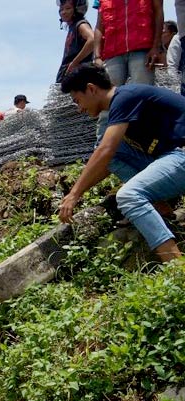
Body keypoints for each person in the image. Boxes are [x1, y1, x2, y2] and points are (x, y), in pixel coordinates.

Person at [59, 64, 185, 263]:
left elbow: (105, 151)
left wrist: (74, 194)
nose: (79, 109)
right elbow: (107, 156)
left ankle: (175, 265)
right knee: (111, 149)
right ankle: (159, 206)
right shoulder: (122, 103)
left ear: (91, 89)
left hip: (180, 155)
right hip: (171, 157)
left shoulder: (125, 97)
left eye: (78, 100)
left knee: (128, 195)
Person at [93, 0, 162, 86]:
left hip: (142, 51)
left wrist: (156, 47)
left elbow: (158, 12)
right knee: (110, 94)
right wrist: (97, 57)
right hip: (112, 54)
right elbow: (99, 25)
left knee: (142, 93)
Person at [56, 0, 94, 84]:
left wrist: (75, 62)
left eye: (68, 8)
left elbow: (92, 40)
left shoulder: (81, 24)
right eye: (61, 9)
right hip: (68, 77)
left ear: (77, 9)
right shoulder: (72, 27)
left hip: (78, 77)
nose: (63, 12)